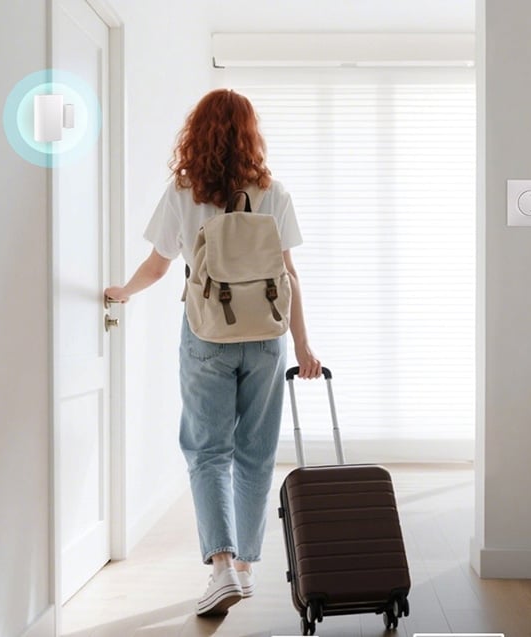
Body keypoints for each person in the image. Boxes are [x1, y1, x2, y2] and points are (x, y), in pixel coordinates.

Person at [104, 88, 321, 616]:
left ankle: (221, 564)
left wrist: (122, 293)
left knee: (206, 451)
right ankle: (245, 567)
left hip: (206, 335)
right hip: (266, 339)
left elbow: (157, 266)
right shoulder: (273, 192)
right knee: (255, 452)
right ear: (252, 133)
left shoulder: (184, 191)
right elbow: (288, 276)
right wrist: (303, 345)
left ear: (196, 132)